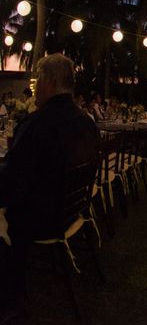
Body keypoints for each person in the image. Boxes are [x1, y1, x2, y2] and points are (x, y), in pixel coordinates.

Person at [0, 54, 100, 318]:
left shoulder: (38, 124)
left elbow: (10, 179)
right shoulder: (86, 123)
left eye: (38, 79)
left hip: (39, 218)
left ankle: (9, 296)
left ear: (51, 81)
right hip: (69, 211)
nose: (35, 86)